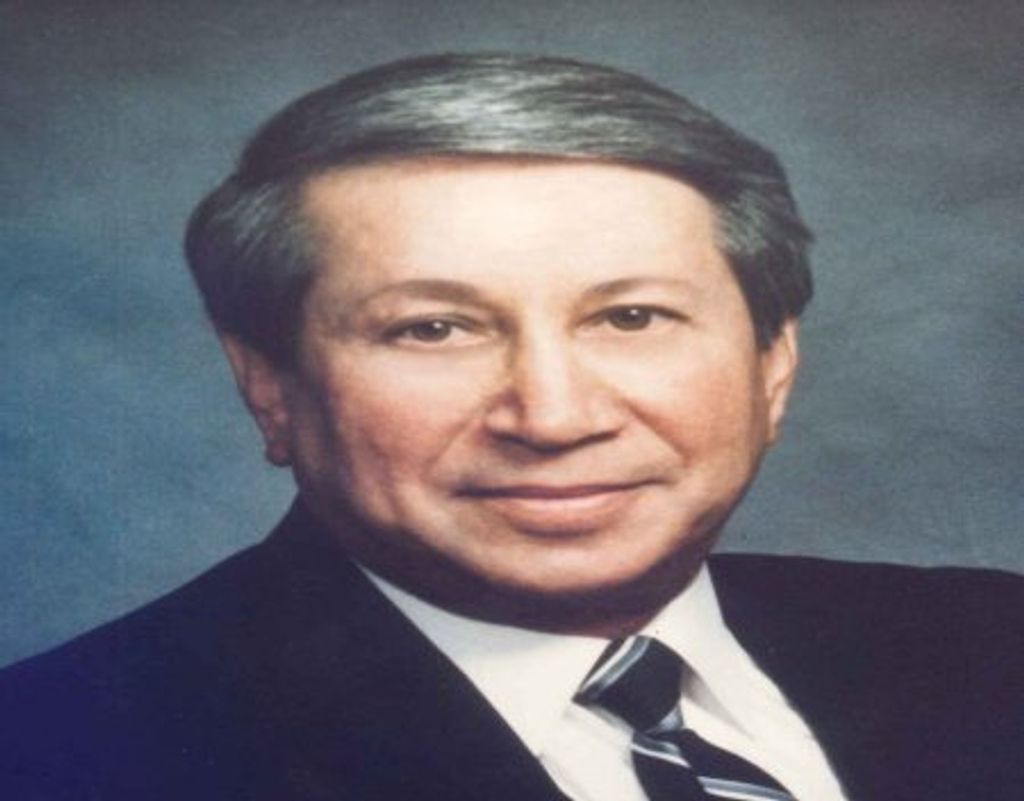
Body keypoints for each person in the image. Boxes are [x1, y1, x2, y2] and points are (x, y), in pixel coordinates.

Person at [1, 53, 1020, 801]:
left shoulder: (992, 647)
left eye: (632, 317)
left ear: (772, 367)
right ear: (269, 387)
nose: (554, 417)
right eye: (433, 328)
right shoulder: (61, 753)